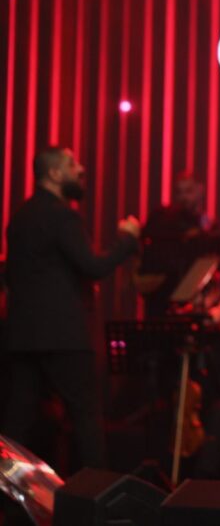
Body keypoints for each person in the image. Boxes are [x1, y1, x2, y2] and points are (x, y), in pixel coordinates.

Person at [3, 146, 141, 470]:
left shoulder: (20, 217)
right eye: (71, 164)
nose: (80, 169)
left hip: (22, 337)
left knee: (16, 424)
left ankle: (8, 493)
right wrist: (127, 239)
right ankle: (95, 496)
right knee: (86, 420)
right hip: (64, 337)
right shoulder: (63, 215)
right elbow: (93, 266)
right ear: (54, 174)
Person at [135, 172, 220, 317]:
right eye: (179, 192)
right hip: (160, 302)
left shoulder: (208, 226)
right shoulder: (163, 218)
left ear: (200, 190)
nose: (183, 197)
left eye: (188, 191)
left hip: (192, 306)